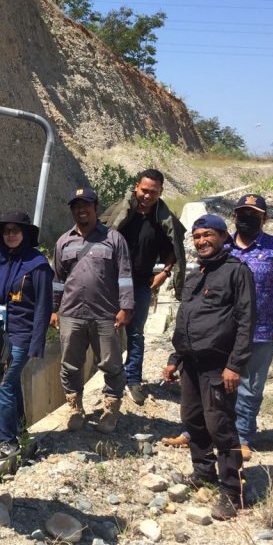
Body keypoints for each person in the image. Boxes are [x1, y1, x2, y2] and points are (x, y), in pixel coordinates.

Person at [162, 195, 273, 462]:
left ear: (264, 218)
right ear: (234, 218)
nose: (247, 218)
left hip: (260, 331)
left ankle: (242, 437)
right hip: (221, 333)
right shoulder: (222, 246)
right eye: (242, 214)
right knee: (210, 384)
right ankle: (195, 433)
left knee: (249, 387)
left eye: (254, 214)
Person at [162, 214, 255, 520]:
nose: (201, 241)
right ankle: (203, 472)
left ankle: (232, 491)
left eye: (207, 235)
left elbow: (246, 322)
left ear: (222, 236)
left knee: (220, 425)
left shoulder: (236, 272)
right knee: (191, 417)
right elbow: (186, 317)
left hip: (219, 366)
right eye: (196, 236)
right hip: (190, 362)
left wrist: (234, 365)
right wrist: (175, 358)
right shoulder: (196, 273)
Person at [51, 186, 134, 433]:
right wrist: (53, 309)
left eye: (85, 205)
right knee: (70, 365)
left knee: (111, 364)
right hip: (71, 314)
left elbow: (125, 275)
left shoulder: (114, 239)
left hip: (105, 314)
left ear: (95, 207)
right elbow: (57, 279)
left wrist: (126, 306)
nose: (81, 210)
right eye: (76, 206)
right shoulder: (63, 241)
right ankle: (75, 408)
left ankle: (110, 410)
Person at [100, 168, 186, 405]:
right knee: (109, 331)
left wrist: (165, 273)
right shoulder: (120, 212)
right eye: (144, 190)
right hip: (112, 283)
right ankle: (112, 380)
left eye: (154, 192)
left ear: (161, 192)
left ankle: (133, 379)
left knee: (135, 333)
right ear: (136, 186)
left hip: (141, 284)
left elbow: (174, 250)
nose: (148, 196)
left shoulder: (163, 218)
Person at [0, 212, 54, 460]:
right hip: (0, 333)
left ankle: (7, 442)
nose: (11, 235)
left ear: (25, 234)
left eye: (16, 230)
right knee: (12, 384)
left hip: (22, 334)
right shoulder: (1, 260)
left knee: (1, 380)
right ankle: (21, 435)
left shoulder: (38, 265)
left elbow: (44, 307)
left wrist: (37, 343)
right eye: (7, 231)